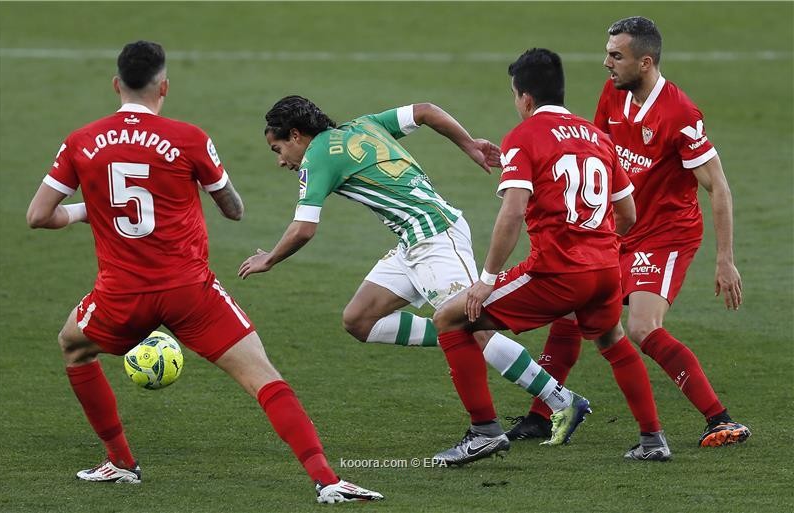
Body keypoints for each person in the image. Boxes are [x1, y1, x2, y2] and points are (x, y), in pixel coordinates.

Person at [26, 40, 382, 504]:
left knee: (74, 347)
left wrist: (86, 212)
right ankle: (327, 480)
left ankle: (120, 462)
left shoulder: (81, 141)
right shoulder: (189, 137)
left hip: (121, 295)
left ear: (116, 84)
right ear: (164, 87)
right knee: (263, 377)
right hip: (190, 291)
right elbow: (233, 209)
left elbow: (39, 216)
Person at [239, 96, 594, 463]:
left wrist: (270, 258)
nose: (281, 160)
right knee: (359, 320)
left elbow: (303, 229)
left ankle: (562, 401)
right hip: (412, 241)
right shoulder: (364, 124)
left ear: (296, 135)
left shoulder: (316, 158)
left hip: (435, 238)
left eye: (278, 148)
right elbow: (424, 110)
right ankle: (456, 338)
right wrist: (468, 143)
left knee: (477, 329)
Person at [516, 17, 751, 448]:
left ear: (645, 63)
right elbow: (593, 150)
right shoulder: (613, 93)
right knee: (570, 309)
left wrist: (725, 260)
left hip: (666, 235)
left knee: (642, 327)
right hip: (619, 229)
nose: (606, 62)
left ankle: (719, 418)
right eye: (607, 52)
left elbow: (718, 185)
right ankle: (540, 416)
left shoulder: (679, 114)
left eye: (615, 55)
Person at [432, 47, 673, 462]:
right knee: (613, 340)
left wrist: (486, 279)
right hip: (604, 268)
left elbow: (512, 211)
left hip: (558, 271)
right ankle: (653, 439)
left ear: (525, 98)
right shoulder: (597, 137)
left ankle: (483, 431)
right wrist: (599, 245)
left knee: (451, 318)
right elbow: (628, 213)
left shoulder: (523, 136)